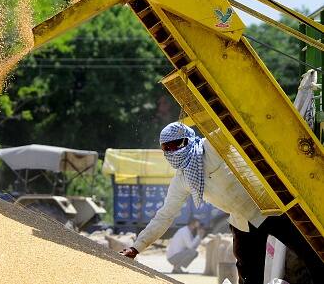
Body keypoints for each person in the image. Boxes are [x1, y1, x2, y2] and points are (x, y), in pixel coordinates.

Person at [120, 122, 324, 284]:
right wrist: (137, 247)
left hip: (273, 208)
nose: (171, 152)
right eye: (166, 149)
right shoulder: (182, 179)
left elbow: (234, 123)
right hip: (243, 222)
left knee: (313, 255)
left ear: (188, 140)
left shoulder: (214, 144)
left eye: (174, 145)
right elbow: (164, 216)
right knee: (249, 276)